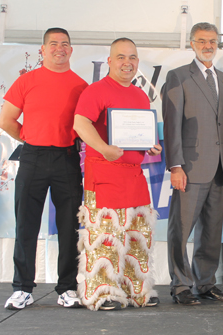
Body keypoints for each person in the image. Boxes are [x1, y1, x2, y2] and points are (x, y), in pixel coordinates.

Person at [0, 27, 87, 310]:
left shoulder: (81, 86)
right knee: (26, 224)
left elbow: (88, 126)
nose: (59, 48)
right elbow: (6, 121)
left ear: (71, 50)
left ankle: (67, 288)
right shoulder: (26, 80)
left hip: (67, 159)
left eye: (64, 44)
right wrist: (31, 136)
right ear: (43, 49)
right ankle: (22, 288)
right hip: (33, 158)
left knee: (69, 227)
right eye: (53, 44)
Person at [73, 38, 162, 311]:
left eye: (132, 58)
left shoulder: (140, 95)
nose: (127, 63)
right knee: (106, 237)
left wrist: (151, 144)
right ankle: (102, 293)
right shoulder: (96, 90)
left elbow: (137, 132)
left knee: (138, 236)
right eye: (121, 57)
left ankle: (137, 290)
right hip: (104, 174)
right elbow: (80, 123)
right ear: (109, 61)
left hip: (134, 175)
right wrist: (102, 147)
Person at [162, 22, 223, 305]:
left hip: (220, 170)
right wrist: (175, 166)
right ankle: (181, 285)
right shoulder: (178, 77)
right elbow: (171, 126)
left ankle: (206, 283)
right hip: (190, 168)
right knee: (180, 230)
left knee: (211, 232)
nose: (208, 46)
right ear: (192, 44)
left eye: (212, 41)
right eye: (201, 41)